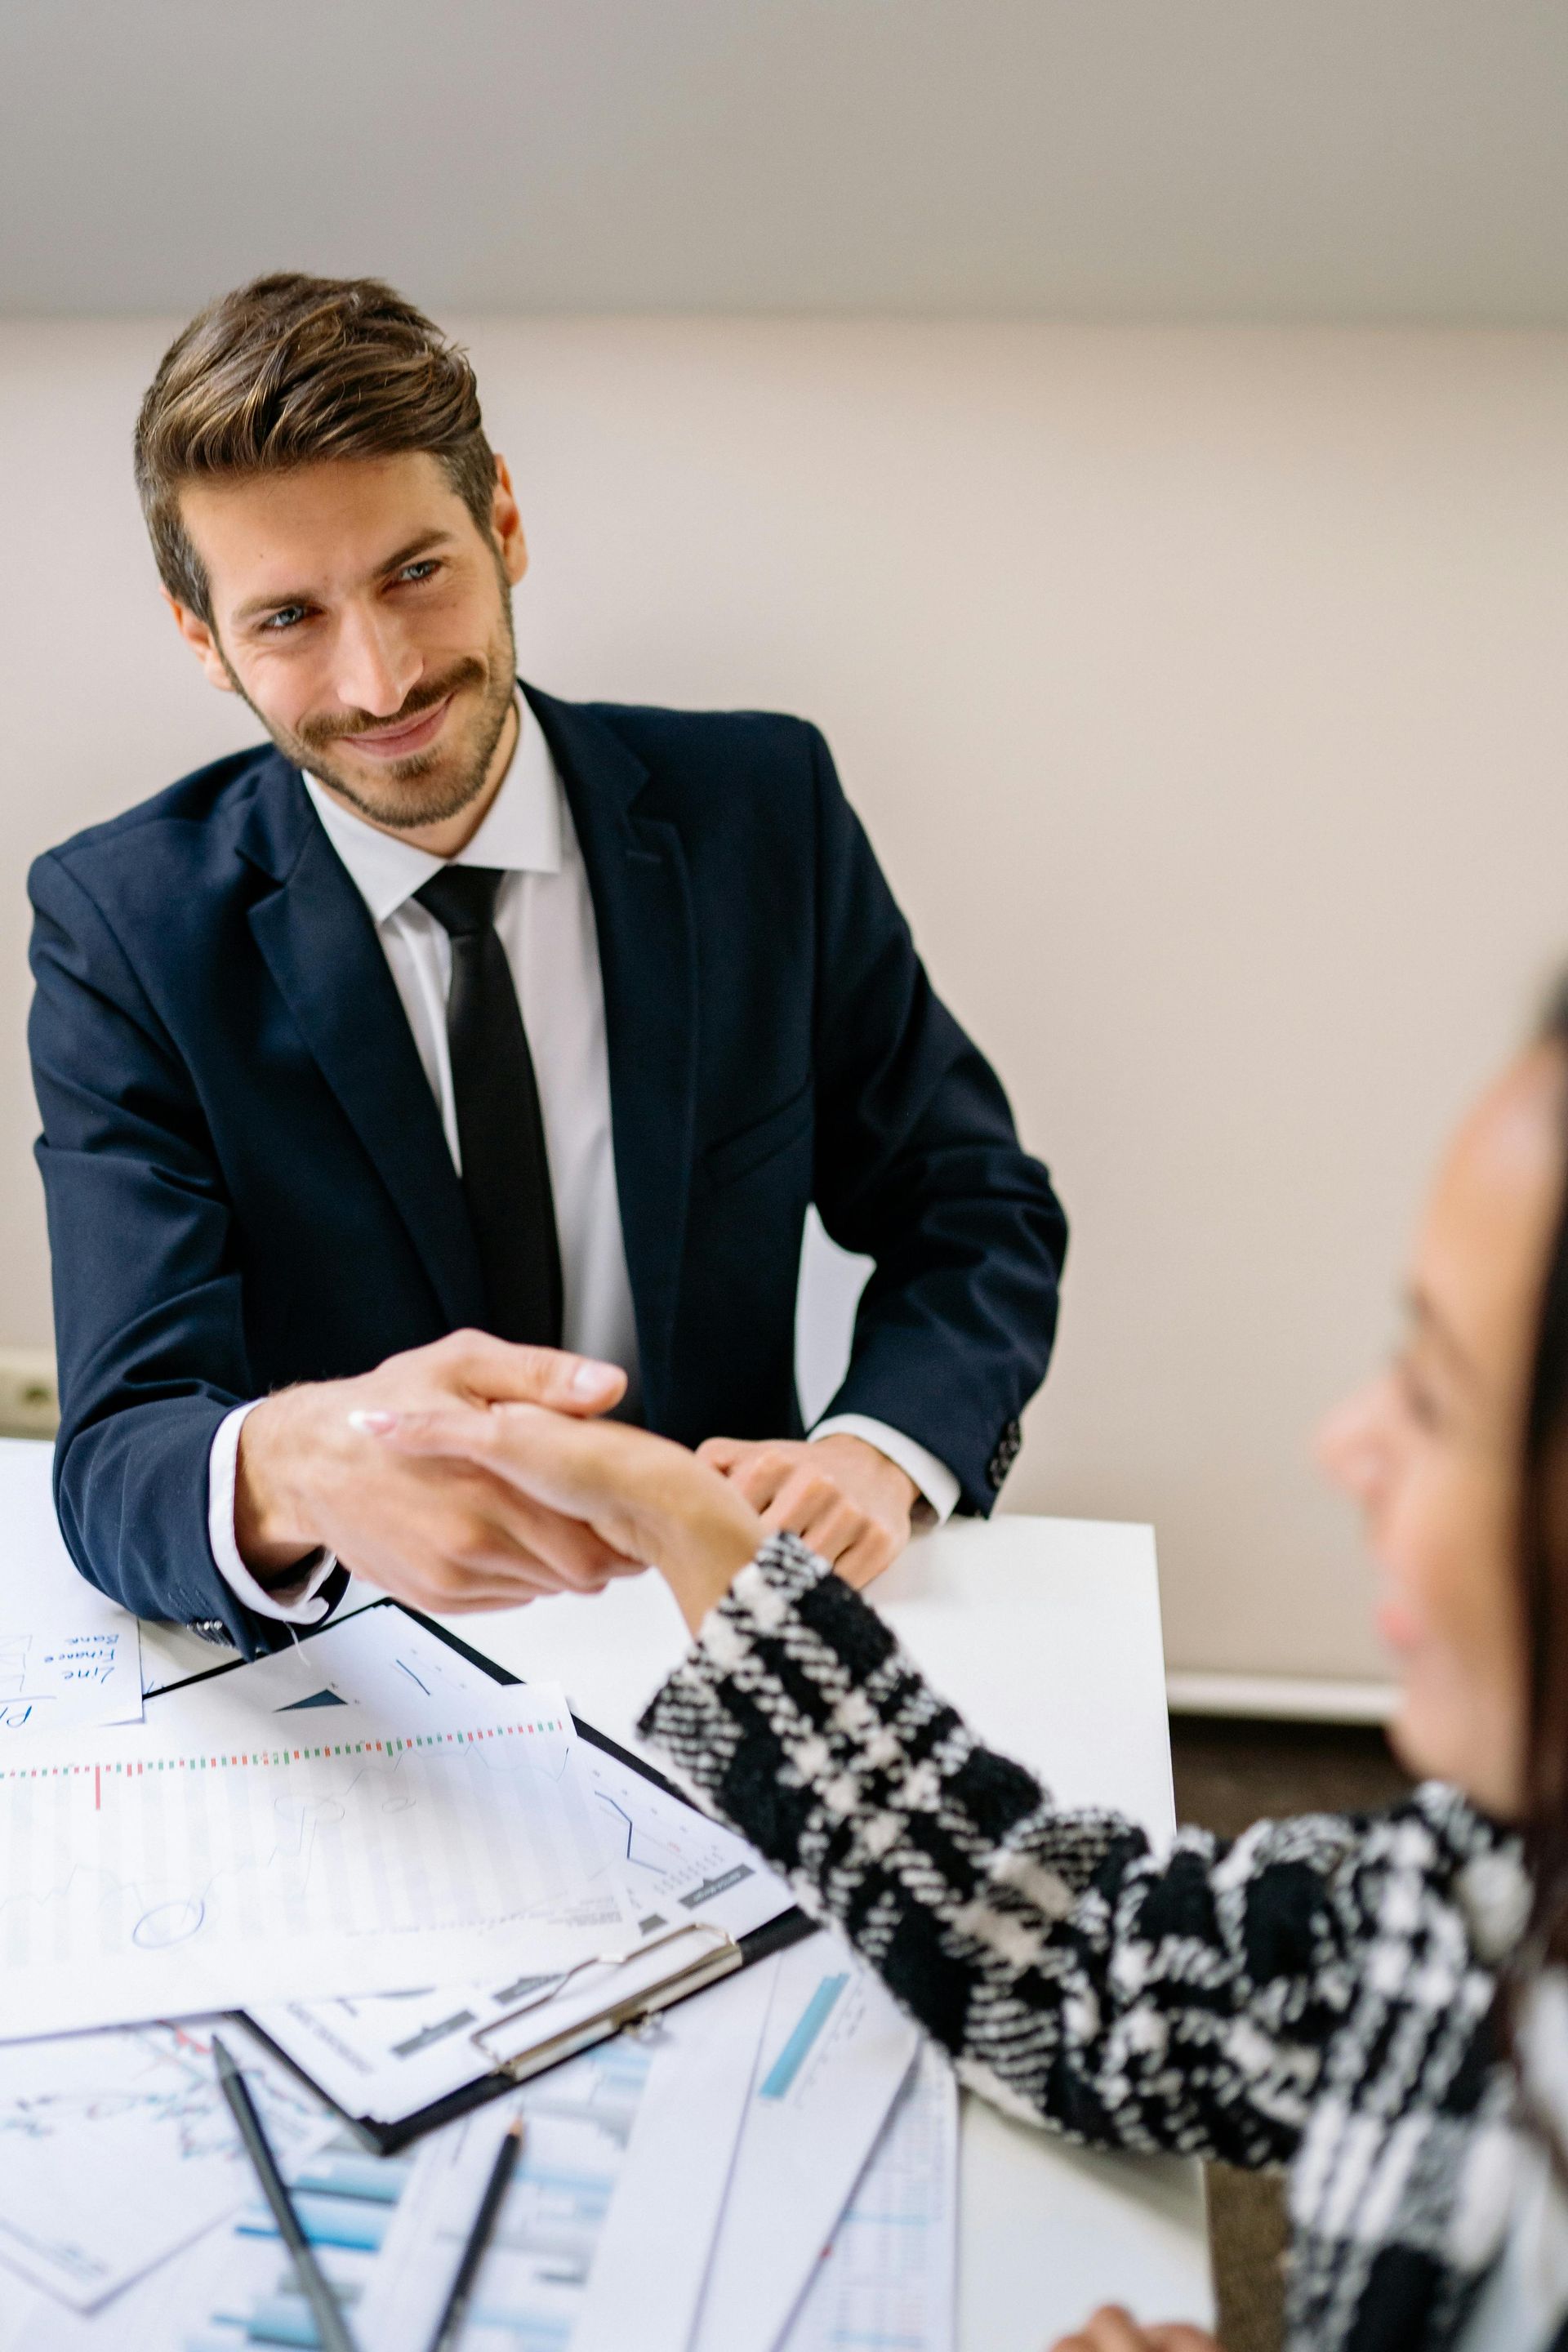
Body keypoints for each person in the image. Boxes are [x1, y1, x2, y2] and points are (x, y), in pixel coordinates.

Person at [349, 986, 1568, 2350]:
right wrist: (709, 1550)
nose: (1348, 1446)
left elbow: (973, 1205)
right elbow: (1081, 1970)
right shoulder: (1483, 1889)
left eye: (1446, 1395)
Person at [27, 272, 1066, 1656]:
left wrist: (881, 1448)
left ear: (502, 521)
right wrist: (297, 1462)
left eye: (416, 573)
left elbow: (973, 1207)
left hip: (717, 1613)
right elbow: (118, 1453)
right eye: (288, 618)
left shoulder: (767, 808)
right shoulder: (123, 927)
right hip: (357, 1666)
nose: (381, 680)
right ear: (200, 636)